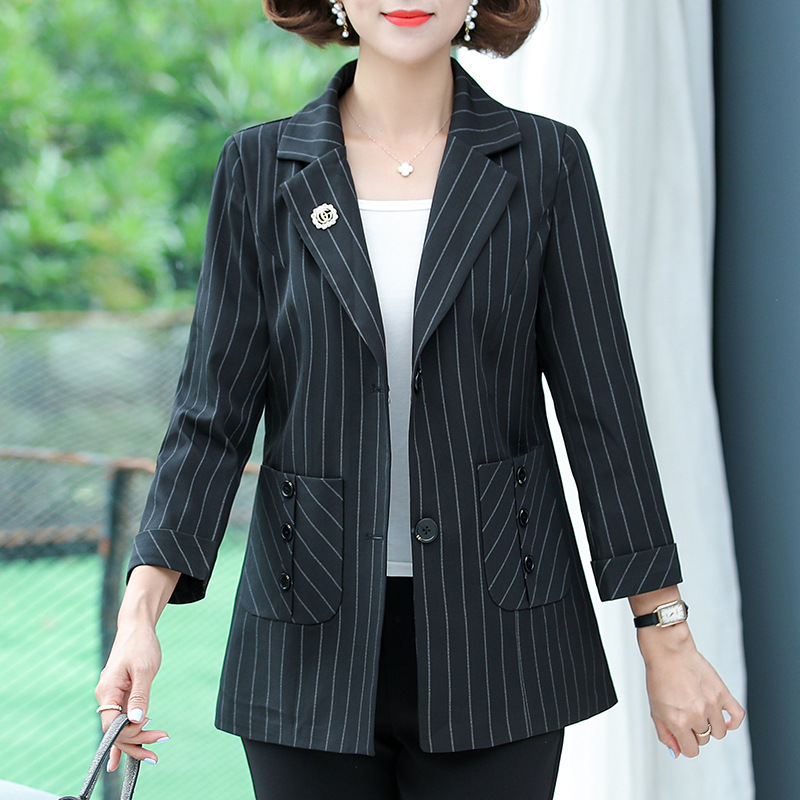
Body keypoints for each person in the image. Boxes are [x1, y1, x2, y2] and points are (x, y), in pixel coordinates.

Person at [94, 1, 746, 798]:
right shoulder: (258, 166)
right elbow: (211, 416)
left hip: (504, 636)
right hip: (304, 635)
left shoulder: (546, 161)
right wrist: (139, 617)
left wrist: (664, 633)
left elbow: (601, 412)